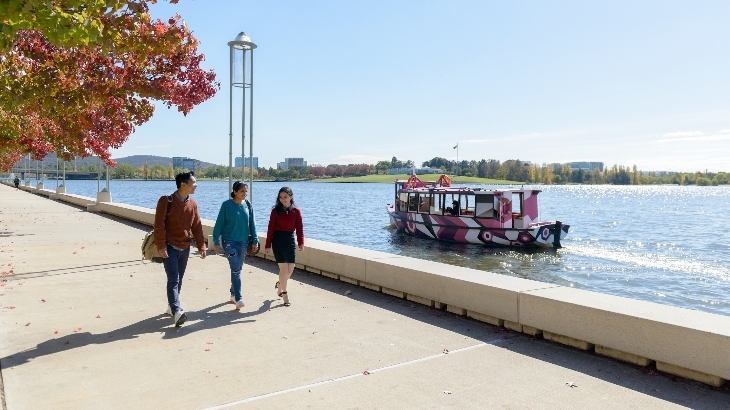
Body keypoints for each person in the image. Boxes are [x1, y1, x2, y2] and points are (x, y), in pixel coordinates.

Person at [154, 171, 207, 328]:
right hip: (169, 246)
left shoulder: (193, 204)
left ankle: (171, 306)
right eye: (194, 182)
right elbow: (159, 225)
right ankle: (177, 311)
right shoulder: (166, 201)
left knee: (179, 279)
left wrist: (201, 245)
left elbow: (196, 226)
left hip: (184, 247)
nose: (196, 185)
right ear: (183, 184)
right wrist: (161, 246)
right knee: (174, 278)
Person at [212, 181, 259, 310]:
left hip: (243, 241)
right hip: (229, 242)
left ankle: (233, 293)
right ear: (235, 192)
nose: (245, 194)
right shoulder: (226, 205)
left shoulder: (248, 205)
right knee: (236, 268)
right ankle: (239, 298)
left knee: (237, 268)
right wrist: (216, 241)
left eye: (246, 191)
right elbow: (219, 224)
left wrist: (255, 240)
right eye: (242, 191)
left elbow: (252, 224)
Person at [265, 187, 304, 307]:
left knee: (290, 270)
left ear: (291, 197)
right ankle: (285, 295)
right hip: (278, 240)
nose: (283, 200)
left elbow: (299, 228)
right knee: (283, 268)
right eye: (281, 197)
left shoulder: (296, 211)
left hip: (289, 240)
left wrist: (301, 242)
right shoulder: (275, 211)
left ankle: (280, 284)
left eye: (285, 197)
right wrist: (267, 245)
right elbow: (270, 228)